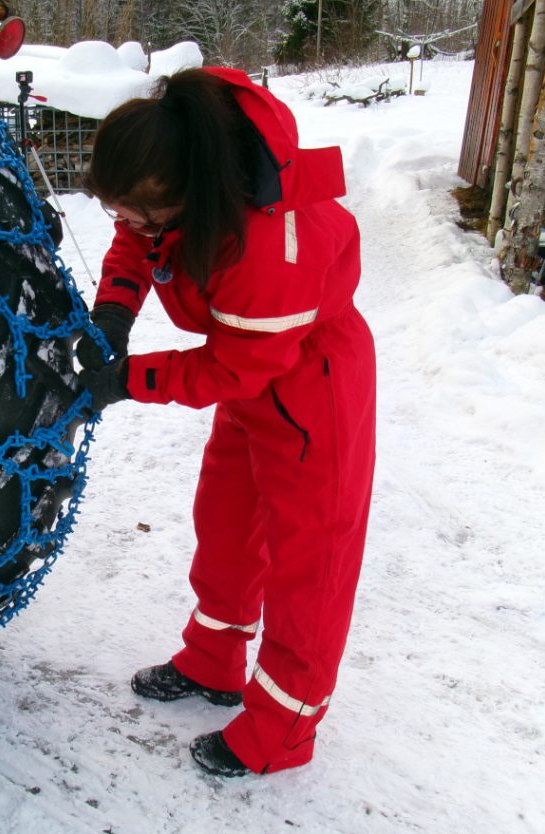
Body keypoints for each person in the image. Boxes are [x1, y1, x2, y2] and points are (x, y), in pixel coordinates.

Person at [75, 67, 376, 778]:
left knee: (311, 560)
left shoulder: (266, 244)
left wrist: (128, 379)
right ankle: (214, 659)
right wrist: (113, 314)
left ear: (188, 200)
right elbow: (138, 243)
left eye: (141, 216)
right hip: (257, 380)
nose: (131, 229)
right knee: (227, 519)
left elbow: (227, 369)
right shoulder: (179, 187)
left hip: (310, 387)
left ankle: (284, 728)